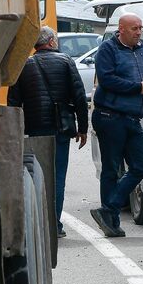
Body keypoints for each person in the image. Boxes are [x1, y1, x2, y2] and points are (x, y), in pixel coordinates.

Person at [90, 13, 143, 237]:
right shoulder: (108, 50)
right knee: (111, 169)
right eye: (134, 28)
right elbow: (107, 79)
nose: (138, 32)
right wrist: (137, 87)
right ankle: (111, 223)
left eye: (140, 28)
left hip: (132, 119)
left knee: (142, 166)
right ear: (121, 29)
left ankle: (108, 209)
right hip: (109, 117)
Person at [8, 26, 88, 238]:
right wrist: (83, 129)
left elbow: (13, 102)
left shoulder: (23, 65)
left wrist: (16, 131)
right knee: (58, 176)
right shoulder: (66, 61)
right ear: (51, 41)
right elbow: (80, 96)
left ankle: (40, 223)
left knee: (38, 176)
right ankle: (55, 225)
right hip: (60, 128)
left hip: (34, 130)